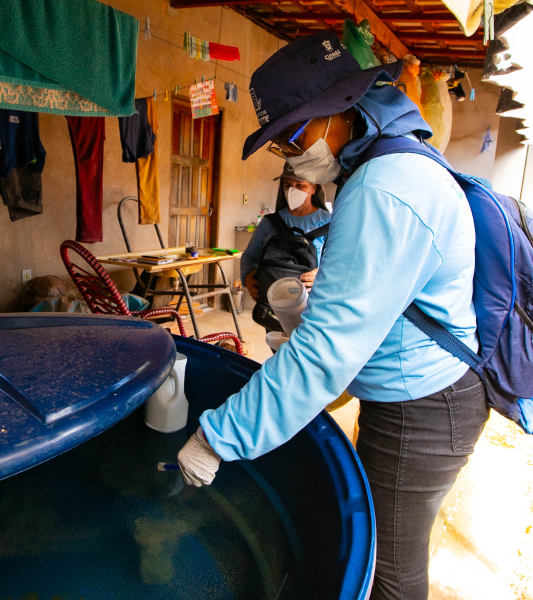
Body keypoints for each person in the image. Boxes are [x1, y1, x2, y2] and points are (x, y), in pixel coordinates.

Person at [177, 32, 488, 600]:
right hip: (415, 393)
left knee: (389, 575)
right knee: (385, 551)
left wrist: (215, 438)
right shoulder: (388, 166)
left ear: (342, 107)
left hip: (424, 405)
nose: (292, 156)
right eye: (280, 145)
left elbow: (325, 355)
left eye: (294, 135)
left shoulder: (384, 189)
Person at [240, 163, 330, 299]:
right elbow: (249, 256)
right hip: (274, 301)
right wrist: (246, 277)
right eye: (288, 185)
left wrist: (322, 274)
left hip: (313, 301)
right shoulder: (270, 222)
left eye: (300, 185)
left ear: (313, 188)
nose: (292, 190)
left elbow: (345, 263)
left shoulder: (330, 223)